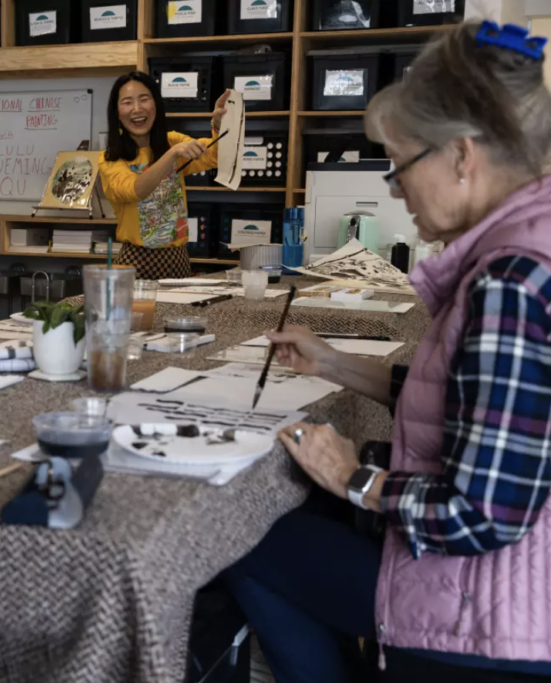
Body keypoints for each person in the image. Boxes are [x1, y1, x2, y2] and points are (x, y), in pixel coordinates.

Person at [223, 21, 551, 682]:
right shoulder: (523, 247)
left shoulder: (512, 279)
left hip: (483, 614)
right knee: (293, 517)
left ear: (461, 156)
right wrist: (336, 363)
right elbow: (480, 403)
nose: (395, 190)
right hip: (507, 587)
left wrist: (356, 477)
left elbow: (483, 512)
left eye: (400, 166)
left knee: (240, 537)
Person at [98, 71, 228, 279]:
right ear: (117, 113)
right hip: (136, 262)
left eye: (144, 99)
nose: (137, 109)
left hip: (179, 259)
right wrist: (172, 154)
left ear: (155, 106)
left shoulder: (173, 141)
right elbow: (135, 190)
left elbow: (214, 156)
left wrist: (219, 125)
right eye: (127, 102)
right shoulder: (111, 159)